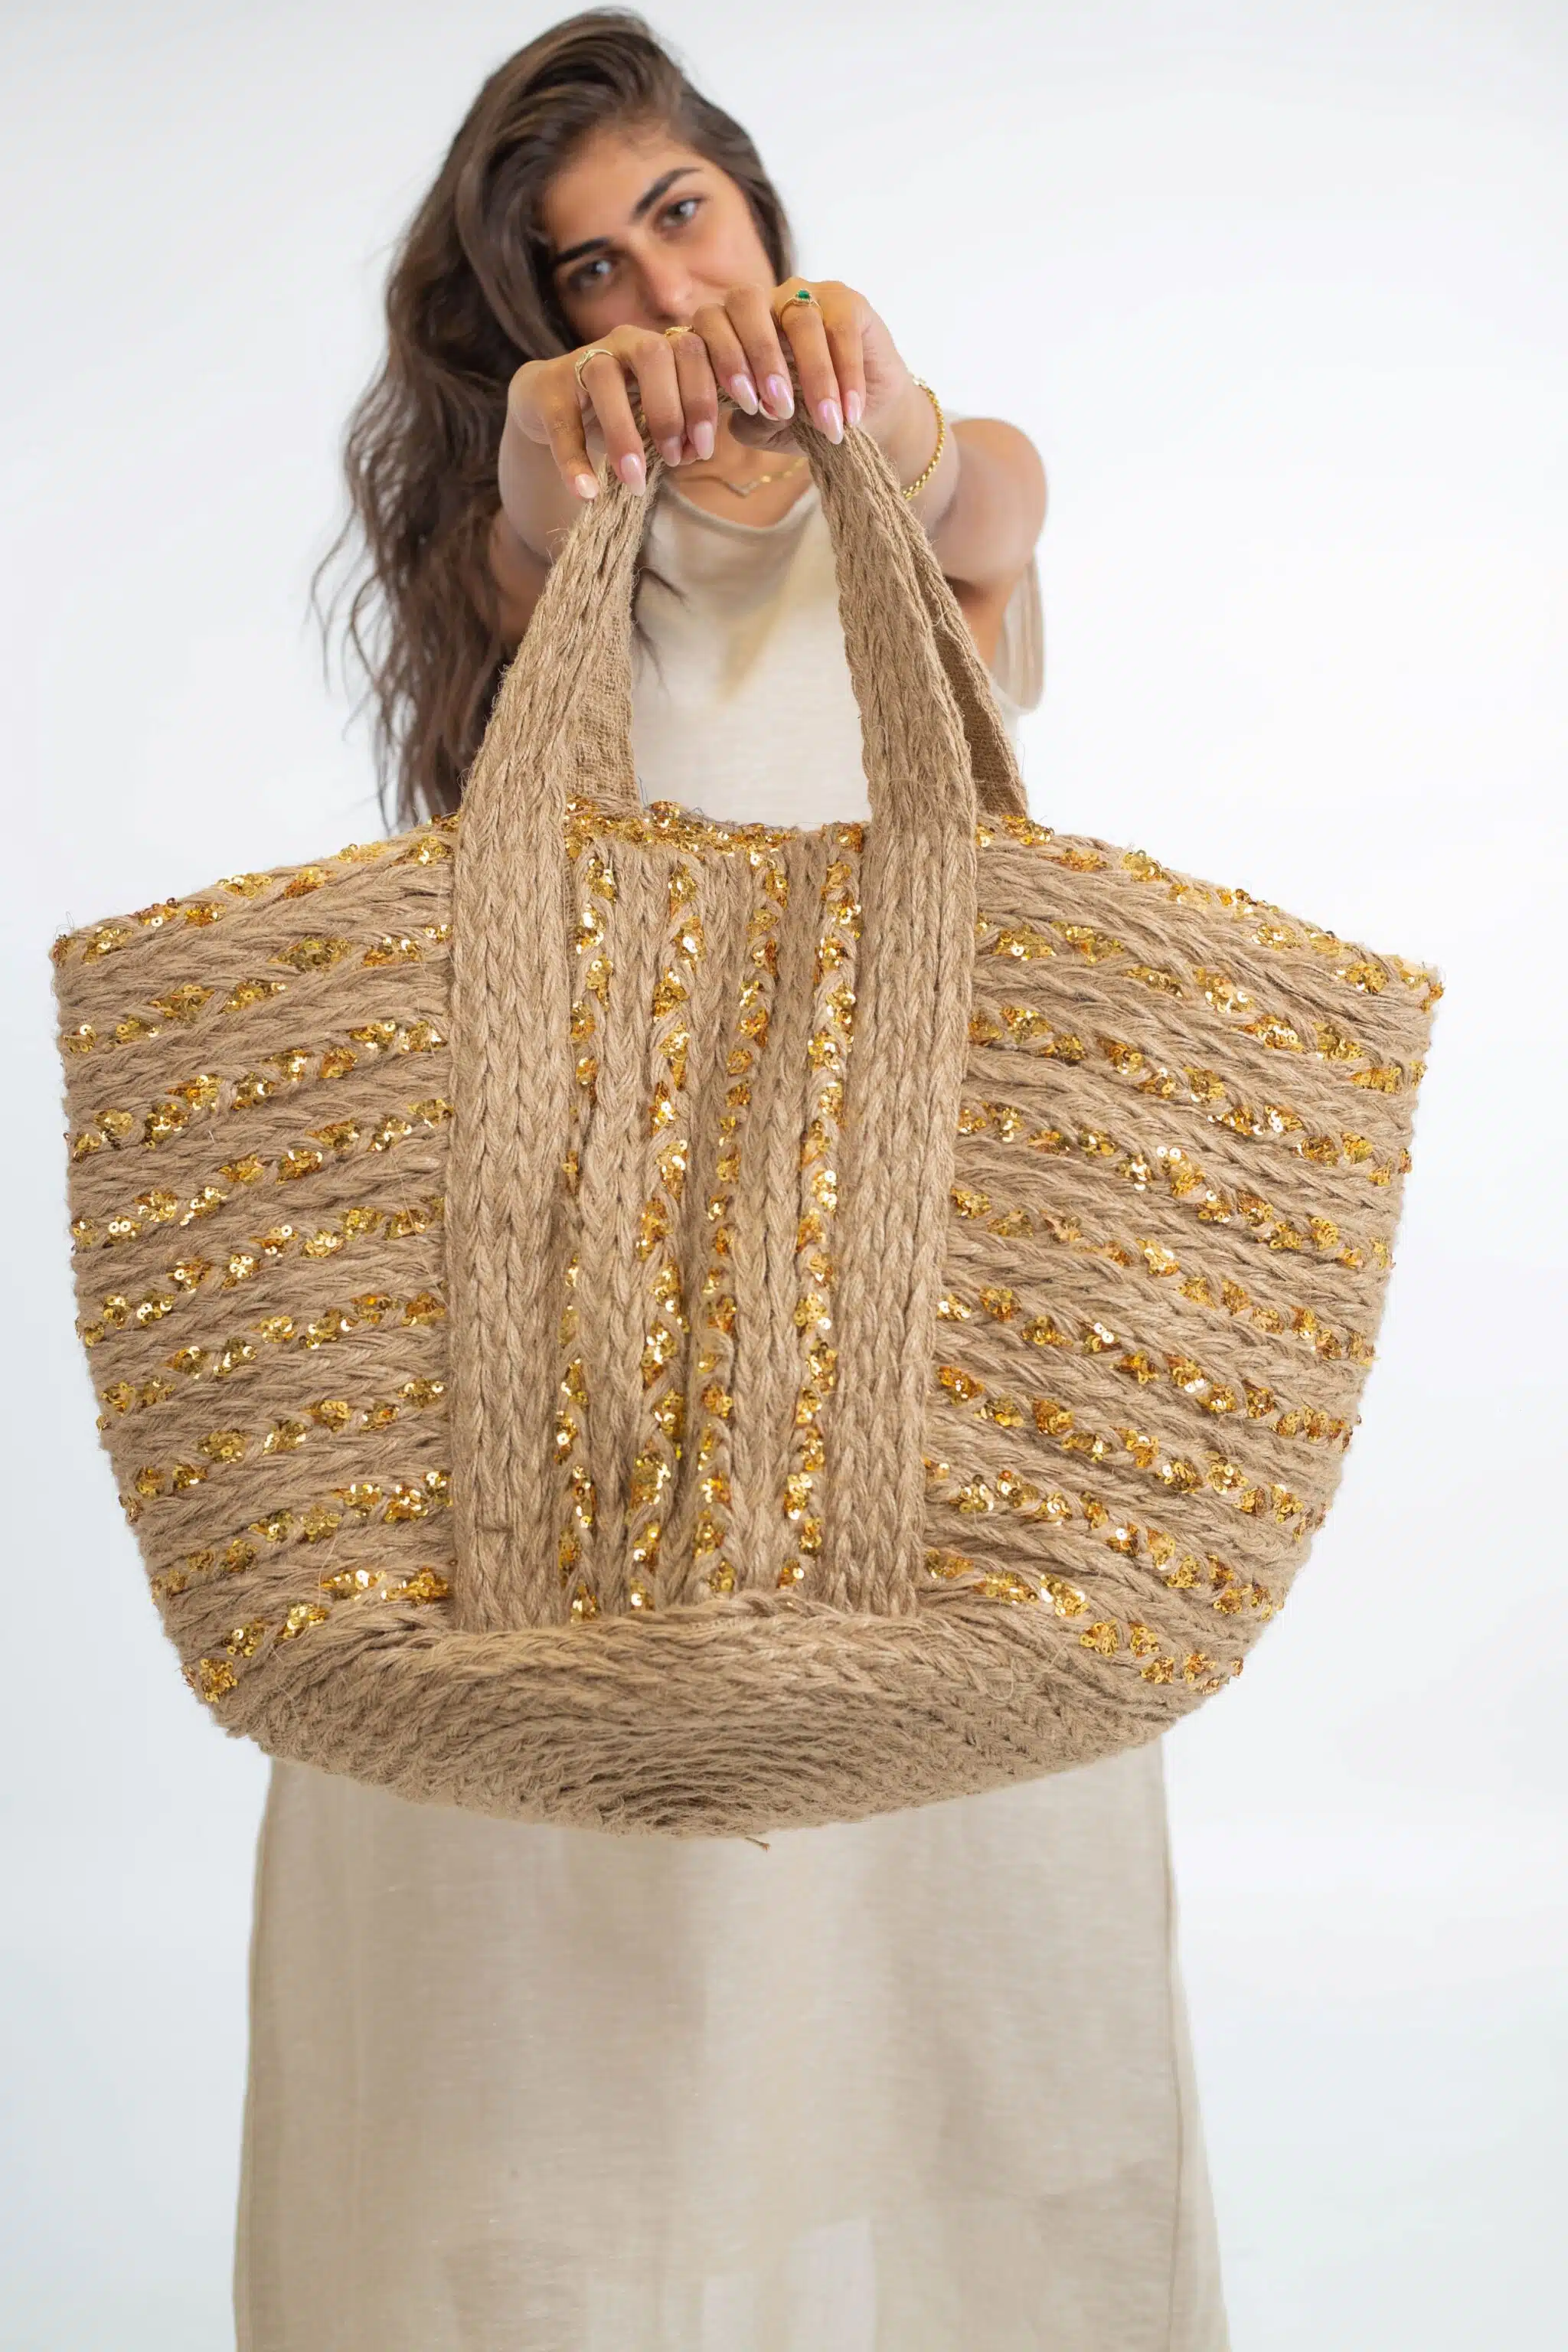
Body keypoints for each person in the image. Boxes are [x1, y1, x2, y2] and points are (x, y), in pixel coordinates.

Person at [234, 13, 1229, 2348]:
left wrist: (871, 409)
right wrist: (546, 466)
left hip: (891, 1315)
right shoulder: (532, 544)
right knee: (568, 1936)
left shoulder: (928, 494)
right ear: (534, 321)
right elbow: (525, 564)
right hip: (574, 1315)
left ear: (763, 209)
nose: (659, 290)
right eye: (586, 270)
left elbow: (983, 495)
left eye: (678, 215)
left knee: (928, 1894)